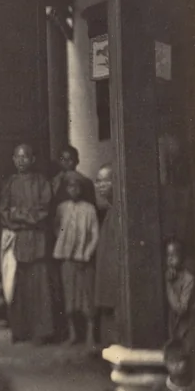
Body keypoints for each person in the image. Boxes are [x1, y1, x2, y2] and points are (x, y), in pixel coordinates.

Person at [0, 144, 56, 343]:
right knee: (18, 287)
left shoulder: (42, 182)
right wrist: (23, 217)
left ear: (32, 159)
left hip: (38, 240)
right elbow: (4, 213)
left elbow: (44, 212)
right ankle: (20, 331)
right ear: (13, 159)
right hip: (19, 240)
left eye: (25, 157)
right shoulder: (10, 183)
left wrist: (19, 215)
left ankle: (41, 332)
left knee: (40, 287)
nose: (21, 161)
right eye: (18, 157)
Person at [53, 171, 101, 350]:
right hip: (66, 259)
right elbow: (56, 226)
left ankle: (90, 336)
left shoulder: (89, 208)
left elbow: (95, 234)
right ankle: (73, 334)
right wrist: (64, 243)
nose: (73, 190)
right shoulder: (62, 207)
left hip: (84, 259)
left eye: (77, 187)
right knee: (69, 296)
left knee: (86, 296)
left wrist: (87, 252)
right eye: (70, 187)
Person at [92, 164, 122, 346]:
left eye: (106, 181)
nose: (100, 185)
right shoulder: (109, 210)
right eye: (98, 181)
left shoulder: (119, 212)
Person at [165, 238, 195, 372]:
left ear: (181, 257)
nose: (170, 259)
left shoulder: (188, 279)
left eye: (174, 256)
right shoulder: (170, 275)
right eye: (168, 256)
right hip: (174, 325)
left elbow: (181, 308)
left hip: (186, 327)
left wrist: (170, 286)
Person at [51, 145, 97, 214]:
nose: (66, 162)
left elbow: (91, 208)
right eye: (63, 159)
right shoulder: (55, 181)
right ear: (58, 161)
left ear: (77, 161)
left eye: (70, 159)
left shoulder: (86, 182)